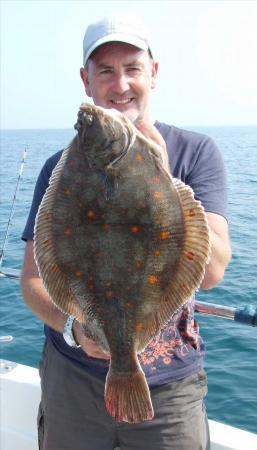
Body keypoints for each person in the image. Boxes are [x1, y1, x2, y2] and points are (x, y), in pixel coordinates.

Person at [20, 15, 231, 450]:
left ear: (153, 73)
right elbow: (34, 280)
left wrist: (163, 177)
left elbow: (210, 274)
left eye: (132, 68)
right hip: (72, 380)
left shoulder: (196, 153)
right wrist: (74, 329)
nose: (120, 86)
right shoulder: (59, 171)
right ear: (86, 81)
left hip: (170, 390)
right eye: (105, 71)